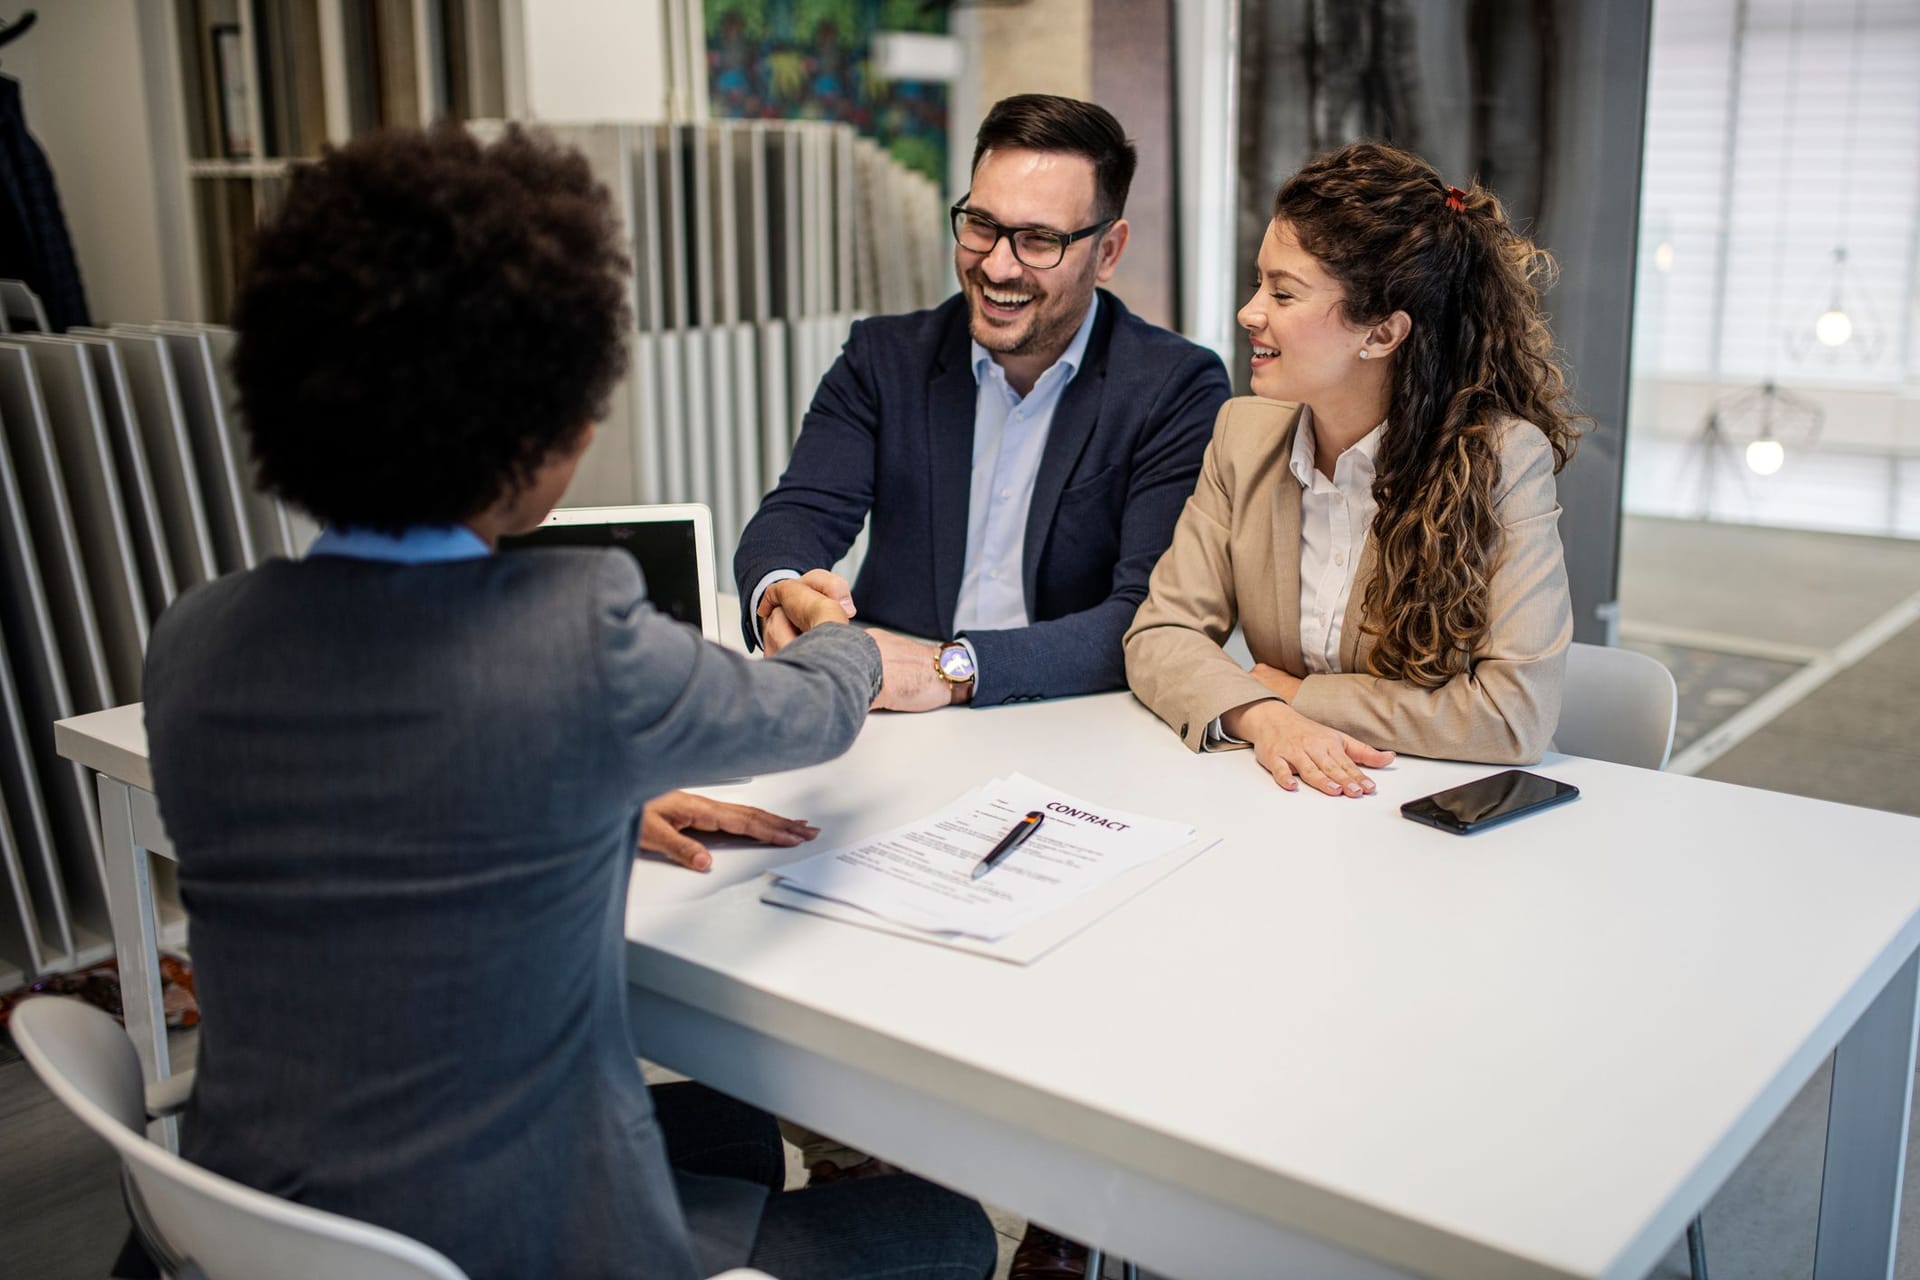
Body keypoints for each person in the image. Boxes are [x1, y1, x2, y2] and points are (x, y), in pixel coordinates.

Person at [140, 124, 995, 1280]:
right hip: (516, 1245)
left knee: (734, 1127)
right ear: (547, 426)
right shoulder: (571, 639)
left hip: (257, 1227)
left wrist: (578, 800)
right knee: (940, 1228)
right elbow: (809, 712)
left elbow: (379, 796)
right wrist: (844, 638)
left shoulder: (194, 639)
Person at [734, 93, 1230, 712]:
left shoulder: (1175, 388)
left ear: (1107, 251)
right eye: (981, 224)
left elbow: (1150, 616)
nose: (997, 265)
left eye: (1039, 239)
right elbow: (797, 514)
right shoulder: (884, 358)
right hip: (890, 707)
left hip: (1069, 716)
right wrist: (785, 594)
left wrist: (951, 670)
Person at [1125, 141, 1580, 792]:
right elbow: (1161, 633)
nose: (1249, 312)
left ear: (1382, 334)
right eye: (1259, 283)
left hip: (1441, 813)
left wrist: (1299, 696)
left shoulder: (1503, 460)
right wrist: (1262, 716)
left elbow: (1514, 719)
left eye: (1283, 293)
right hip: (1291, 798)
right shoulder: (1242, 434)